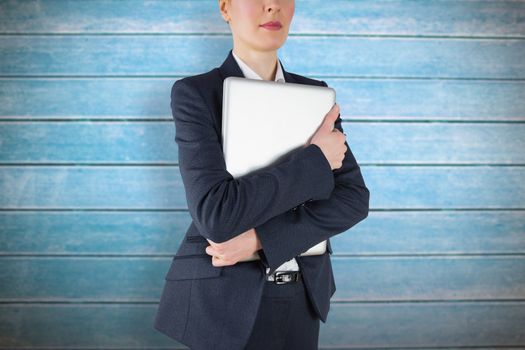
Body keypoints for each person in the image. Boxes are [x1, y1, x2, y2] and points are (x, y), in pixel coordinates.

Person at [154, 0, 370, 349]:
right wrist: (315, 159)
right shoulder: (196, 94)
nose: (273, 6)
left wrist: (259, 241)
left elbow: (353, 200)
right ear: (225, 8)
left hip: (303, 298)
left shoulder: (317, 96)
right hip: (223, 302)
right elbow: (218, 215)